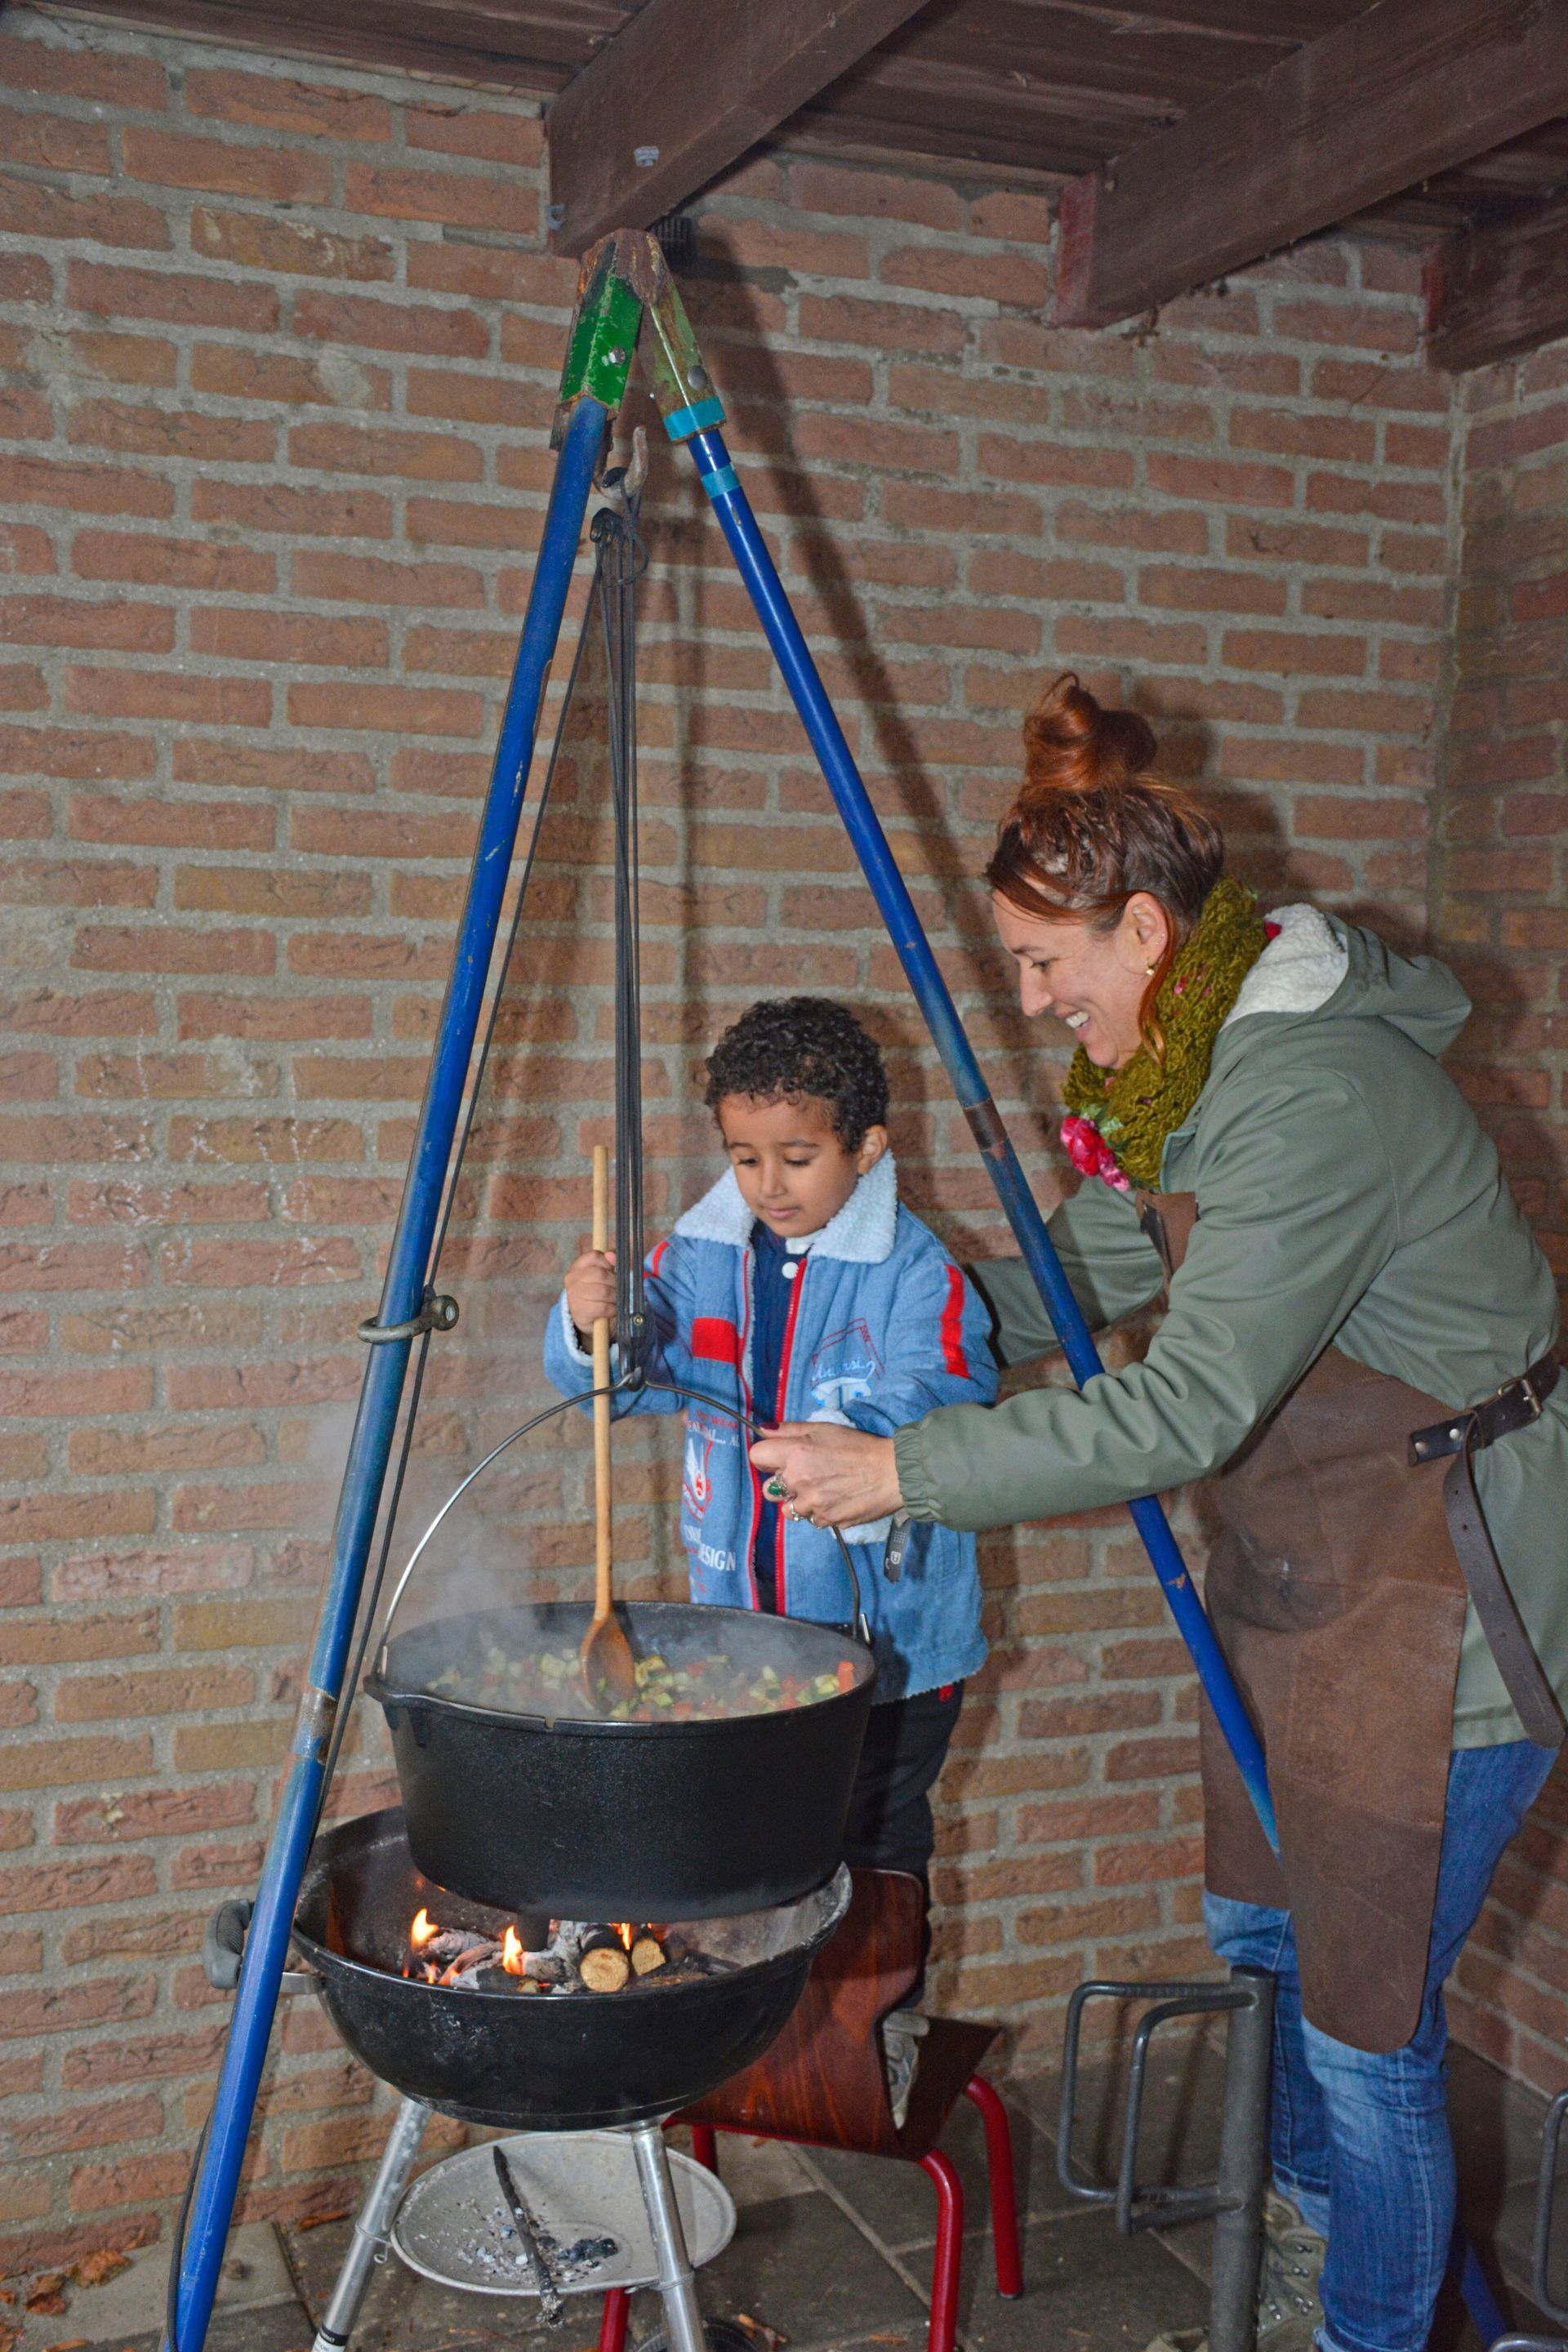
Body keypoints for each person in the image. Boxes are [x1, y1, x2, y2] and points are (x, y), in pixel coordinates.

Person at [750, 677, 1568, 2352]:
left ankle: (1364, 2331)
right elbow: (1078, 1275)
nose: (1039, 1004)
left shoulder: (1309, 1098)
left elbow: (1190, 1403)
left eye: (1049, 968)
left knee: (1366, 2027)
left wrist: (913, 1471)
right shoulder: (1188, 1079)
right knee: (1270, 1944)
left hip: (1446, 1604)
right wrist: (875, 1321)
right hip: (1308, 1578)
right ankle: (1326, 2252)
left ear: (1142, 932)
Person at [545, 996, 998, 2120]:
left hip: (886, 1646)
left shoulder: (916, 1271)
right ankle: (763, 2032)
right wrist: (589, 1321)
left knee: (877, 1836)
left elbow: (950, 1396)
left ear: (867, 1148)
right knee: (752, 1836)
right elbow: (617, 1383)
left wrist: (863, 1438)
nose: (768, 1184)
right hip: (741, 1636)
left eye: (799, 1157)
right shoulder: (696, 1254)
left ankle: (875, 2026)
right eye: (746, 1157)